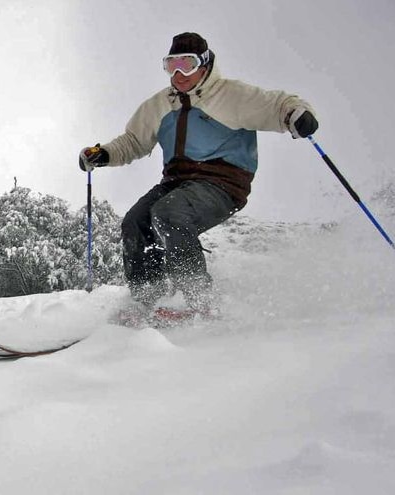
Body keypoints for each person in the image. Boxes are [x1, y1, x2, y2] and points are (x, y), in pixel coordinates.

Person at [79, 32, 318, 314]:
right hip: (177, 182)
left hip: (222, 182)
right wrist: (103, 153)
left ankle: (196, 297)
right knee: (135, 221)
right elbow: (133, 142)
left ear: (204, 66)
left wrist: (295, 114)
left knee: (169, 213)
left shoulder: (231, 95)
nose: (178, 74)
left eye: (187, 64)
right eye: (171, 65)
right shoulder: (160, 104)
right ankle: (147, 299)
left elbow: (277, 104)